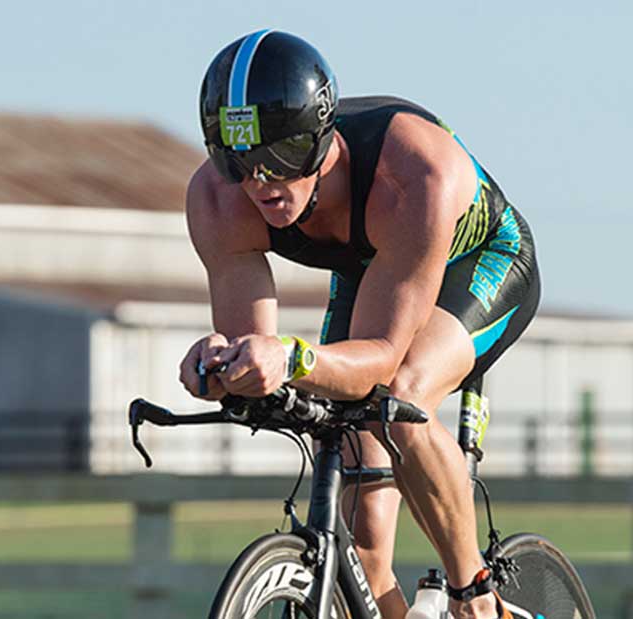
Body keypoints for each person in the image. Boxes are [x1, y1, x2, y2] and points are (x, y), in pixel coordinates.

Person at [177, 29, 540, 619]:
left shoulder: (412, 173)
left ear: (321, 142)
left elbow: (380, 358)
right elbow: (258, 352)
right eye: (237, 160)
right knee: (364, 543)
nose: (261, 181)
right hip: (376, 264)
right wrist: (224, 366)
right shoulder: (219, 198)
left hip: (481, 257)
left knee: (400, 398)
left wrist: (290, 357)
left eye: (281, 157)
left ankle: (473, 592)